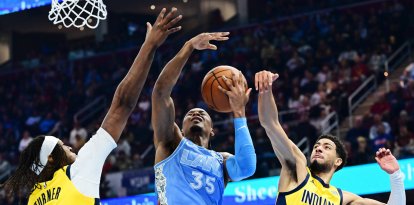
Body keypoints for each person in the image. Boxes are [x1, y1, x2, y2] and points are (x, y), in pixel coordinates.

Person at [2, 8, 182, 204]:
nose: (70, 146)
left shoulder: (33, 198)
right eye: (62, 146)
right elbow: (122, 105)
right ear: (51, 159)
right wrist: (149, 46)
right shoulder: (77, 171)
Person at [255, 70, 405, 205]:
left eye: (326, 147)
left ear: (338, 161)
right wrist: (265, 90)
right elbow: (270, 123)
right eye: (316, 146)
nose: (318, 148)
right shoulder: (297, 168)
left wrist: (395, 175)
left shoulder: (343, 199)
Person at [151, 32, 256, 204]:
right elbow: (161, 92)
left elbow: (247, 167)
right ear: (181, 129)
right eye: (189, 114)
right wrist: (189, 46)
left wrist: (239, 111)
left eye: (203, 114)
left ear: (212, 131)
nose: (196, 113)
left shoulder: (221, 161)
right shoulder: (170, 143)